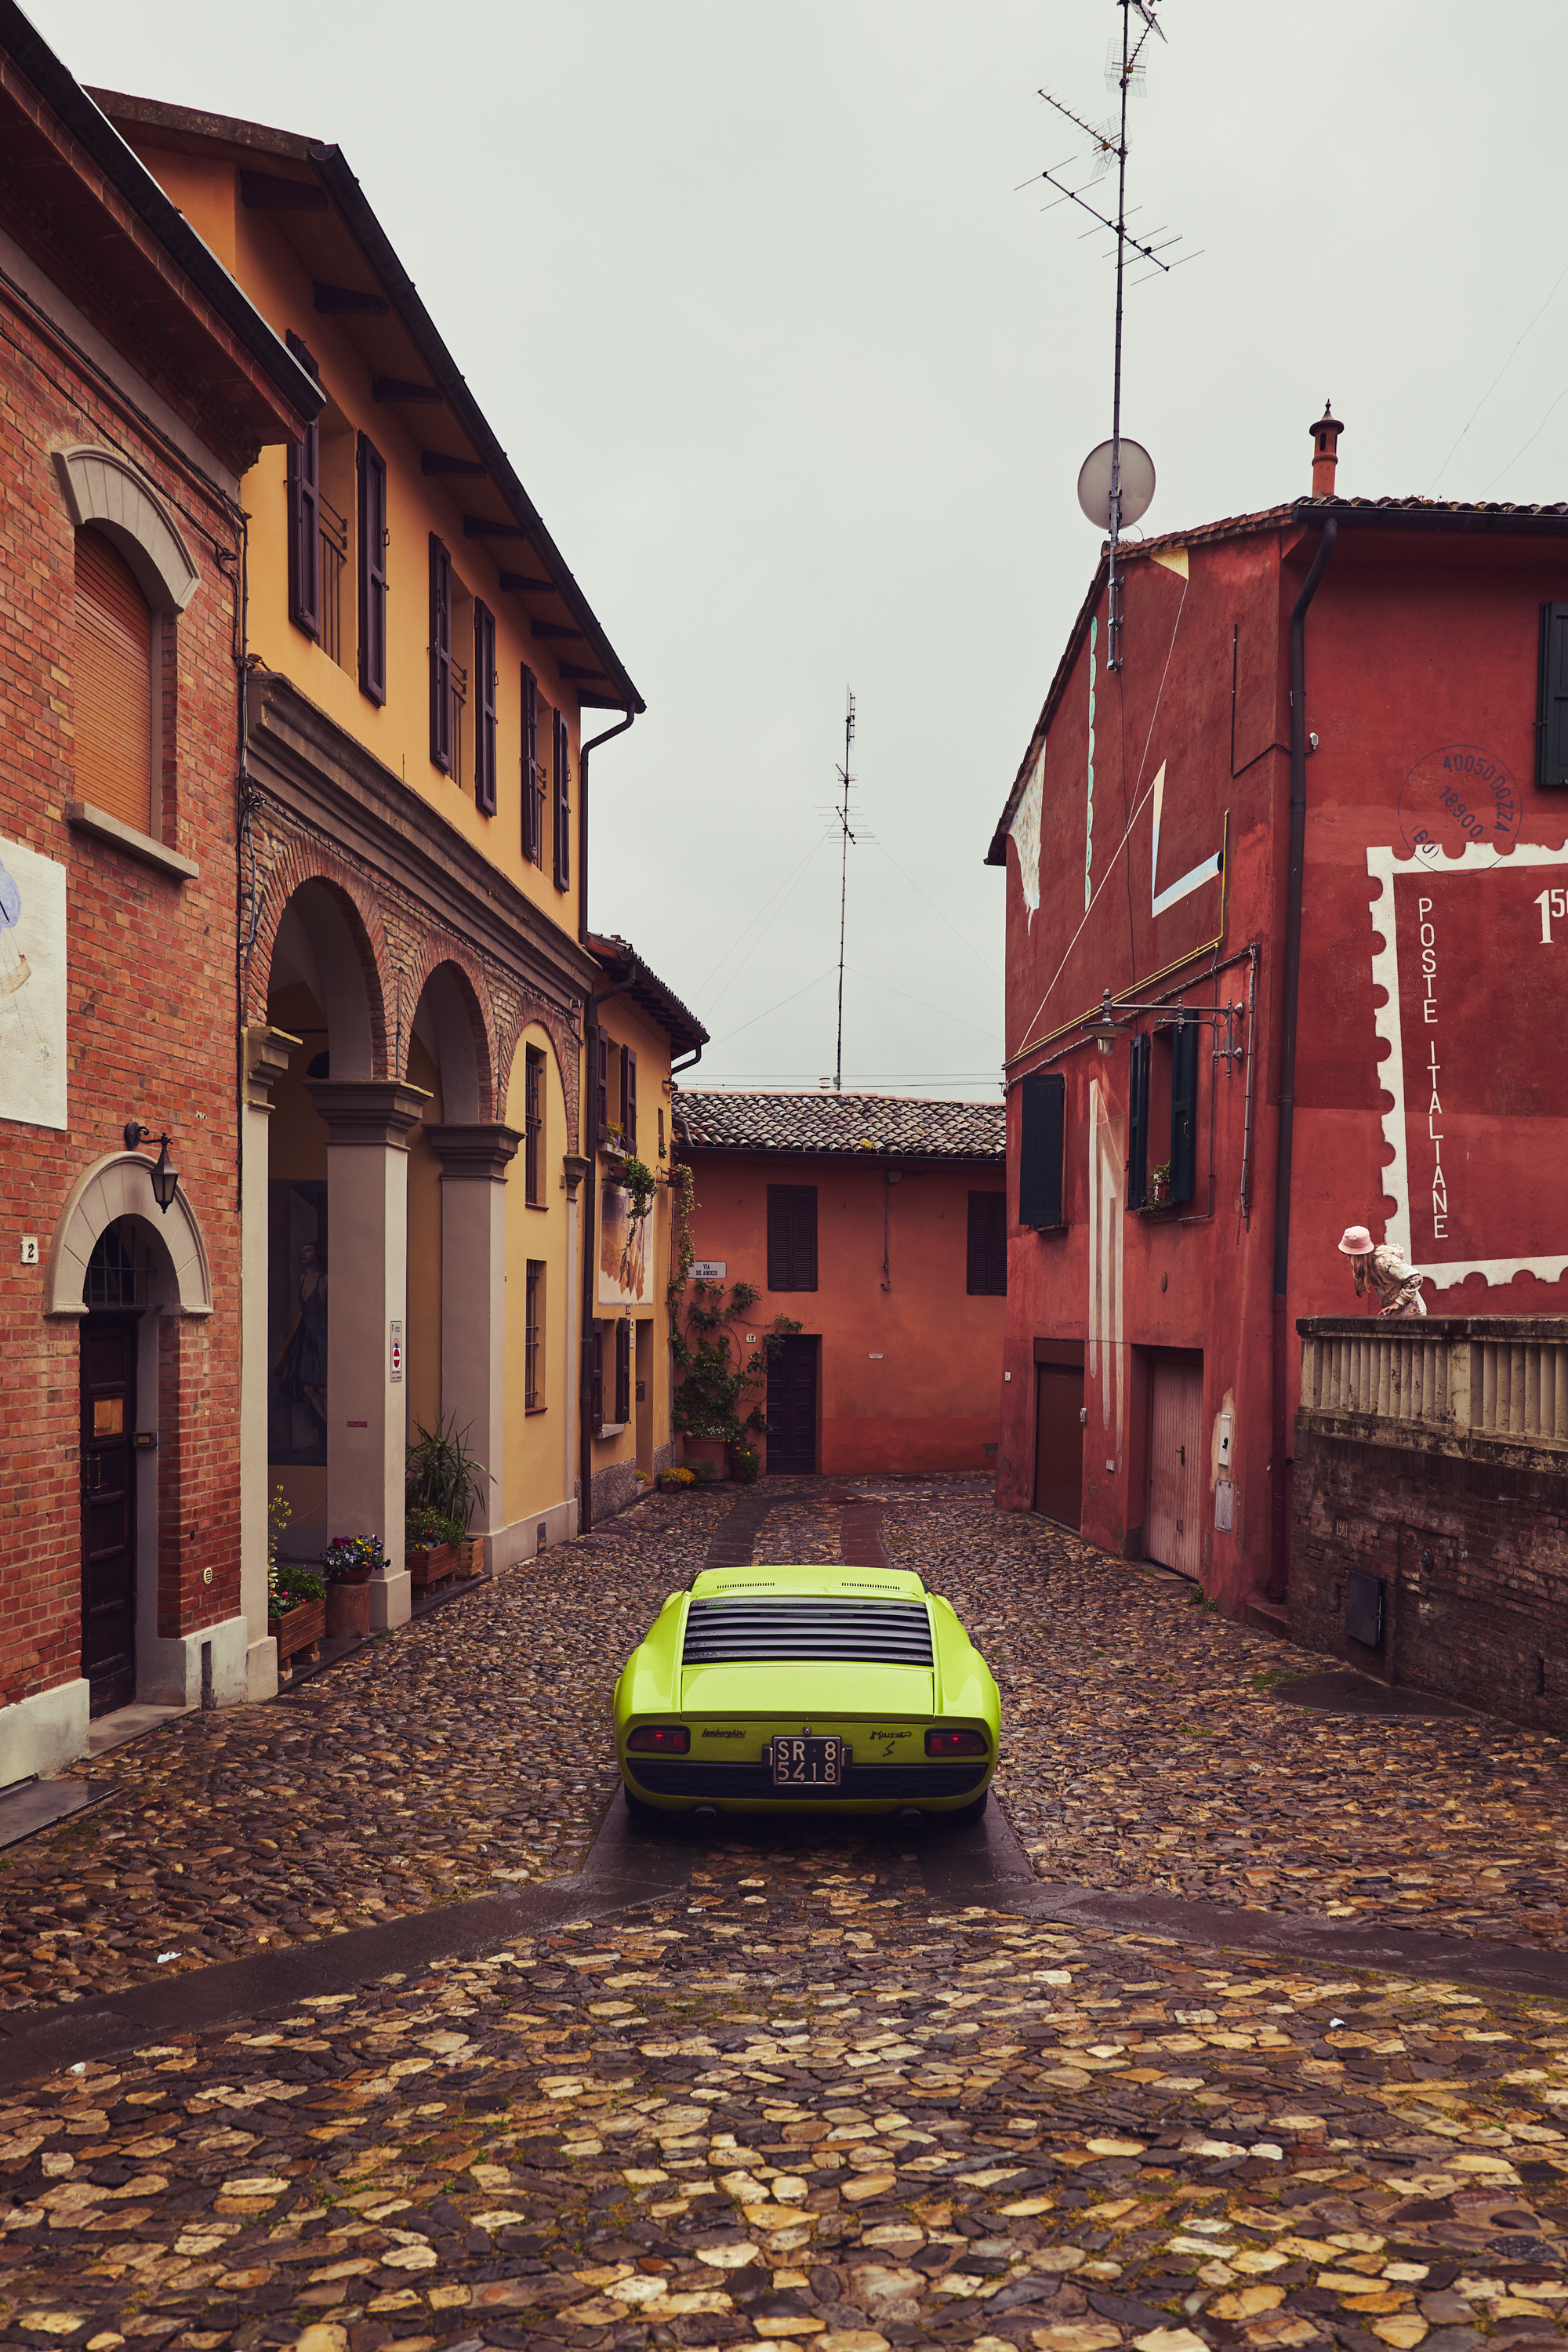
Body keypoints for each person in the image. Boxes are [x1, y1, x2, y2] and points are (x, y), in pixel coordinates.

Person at [1337, 1223, 1426, 1318]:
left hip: (1411, 1314)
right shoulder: (1371, 1262)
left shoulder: (1383, 1262)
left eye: (1348, 1253)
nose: (1346, 1255)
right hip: (1397, 1315)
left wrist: (1398, 1303)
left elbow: (1416, 1277)